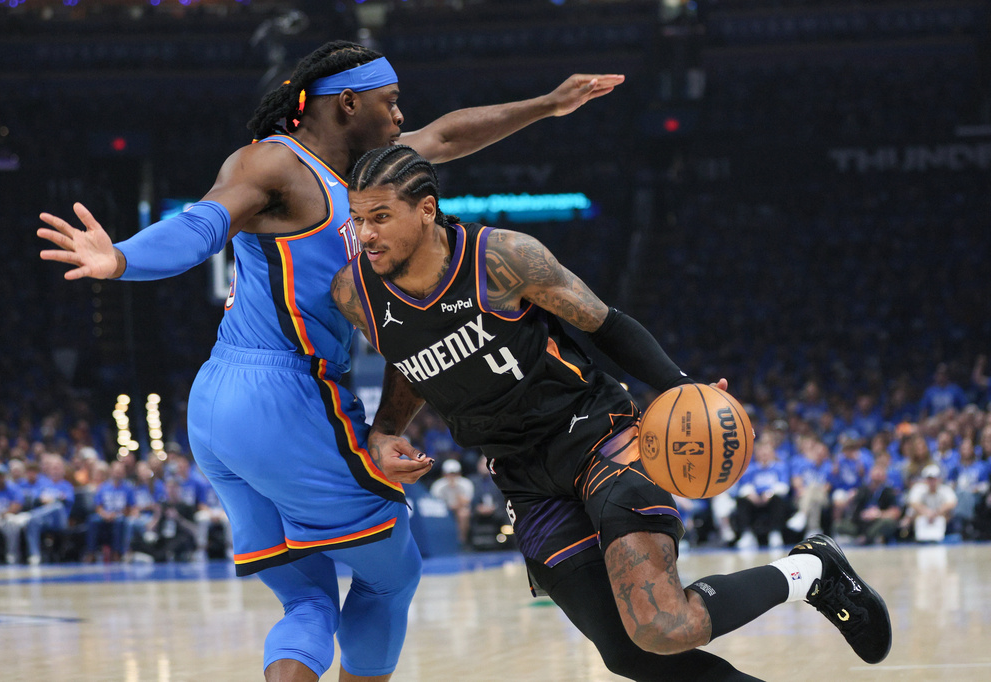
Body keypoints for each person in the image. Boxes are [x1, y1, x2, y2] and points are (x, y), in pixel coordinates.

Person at [36, 39, 622, 682]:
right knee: (394, 574)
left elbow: (448, 137)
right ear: (347, 102)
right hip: (286, 393)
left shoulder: (374, 175)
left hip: (217, 407)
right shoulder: (275, 166)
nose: (402, 117)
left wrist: (548, 104)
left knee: (308, 599)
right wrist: (122, 259)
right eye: (390, 103)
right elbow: (205, 225)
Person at [330, 145, 892, 680]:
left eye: (380, 216)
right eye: (359, 219)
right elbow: (409, 358)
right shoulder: (356, 292)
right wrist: (384, 429)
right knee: (630, 655)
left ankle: (811, 573)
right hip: (522, 477)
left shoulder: (500, 259)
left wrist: (683, 387)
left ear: (426, 210)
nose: (366, 234)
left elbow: (605, 323)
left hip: (596, 435)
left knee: (664, 624)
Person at [428, 458, 474, 545]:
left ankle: (461, 541)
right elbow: (435, 504)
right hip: (443, 511)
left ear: (459, 473)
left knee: (464, 513)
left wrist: (455, 489)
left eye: (455, 474)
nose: (452, 477)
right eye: (449, 474)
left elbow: (466, 502)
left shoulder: (466, 484)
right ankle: (441, 542)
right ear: (444, 474)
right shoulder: (438, 486)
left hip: (458, 509)